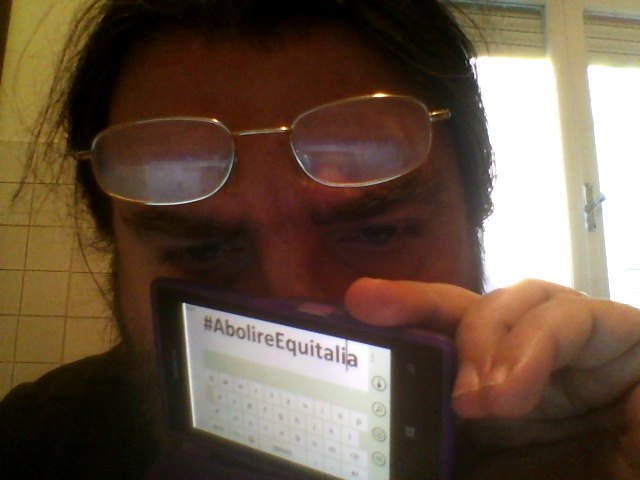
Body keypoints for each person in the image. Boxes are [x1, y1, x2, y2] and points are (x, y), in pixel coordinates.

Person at [1, 0, 639, 478]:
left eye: (378, 232)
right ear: (113, 248)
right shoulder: (31, 444)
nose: (294, 312)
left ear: (478, 210)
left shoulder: (565, 440)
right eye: (202, 252)